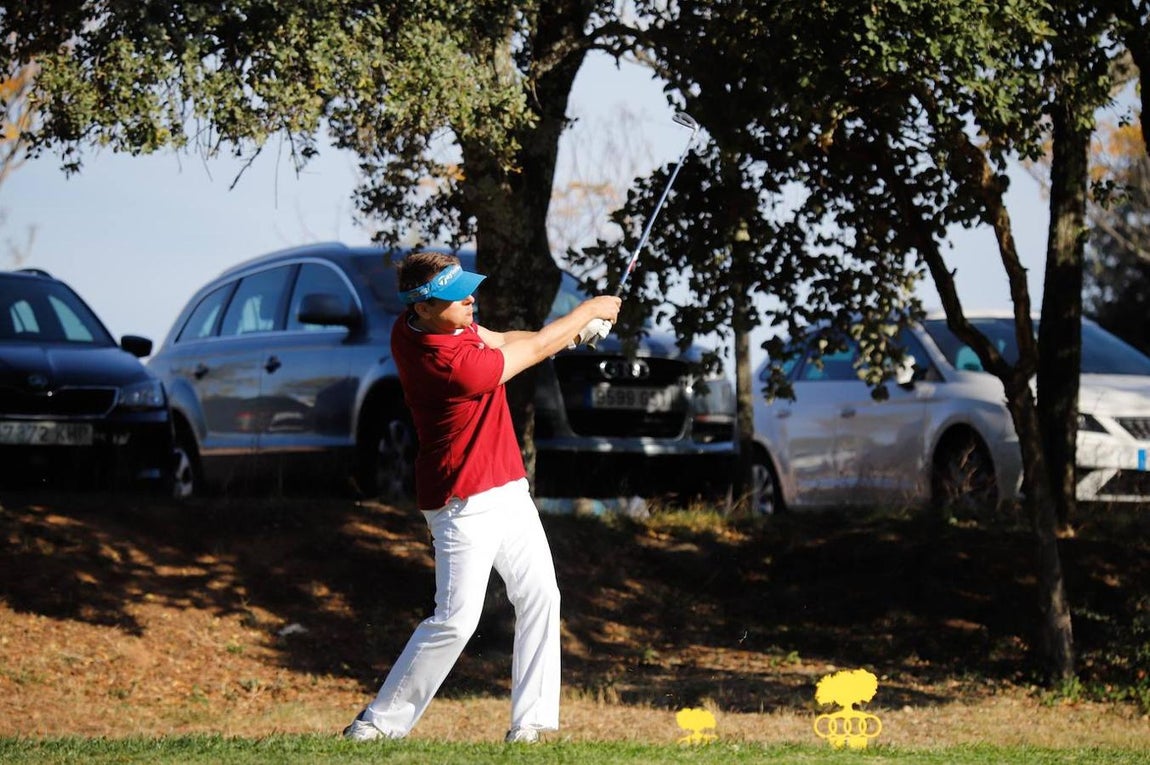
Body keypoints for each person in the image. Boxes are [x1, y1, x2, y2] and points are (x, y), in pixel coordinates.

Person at [343, 251, 621, 744]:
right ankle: (377, 724)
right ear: (424, 307)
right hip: (461, 502)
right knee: (456, 619)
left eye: (467, 289)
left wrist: (574, 335)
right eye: (456, 296)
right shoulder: (448, 366)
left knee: (540, 595)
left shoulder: (426, 324)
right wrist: (586, 311)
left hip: (508, 487)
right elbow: (529, 352)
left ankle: (530, 725)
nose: (471, 300)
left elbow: (507, 340)